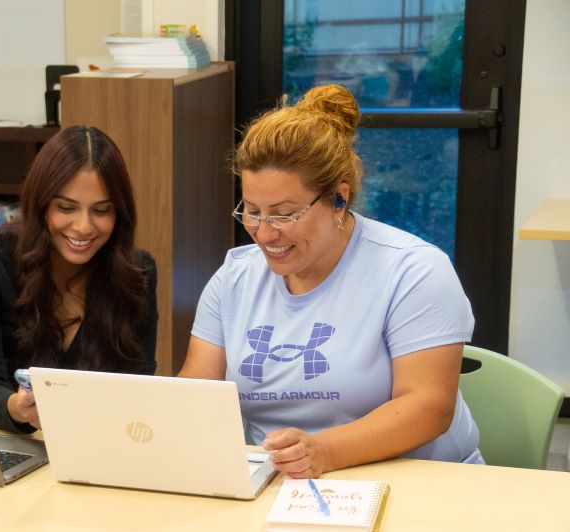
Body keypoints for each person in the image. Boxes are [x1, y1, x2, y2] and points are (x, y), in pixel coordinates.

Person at [178, 84, 483, 478]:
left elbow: (428, 407)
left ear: (339, 199)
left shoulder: (413, 271)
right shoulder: (235, 277)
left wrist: (324, 452)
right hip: (281, 483)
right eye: (252, 211)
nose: (264, 233)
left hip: (420, 479)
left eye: (284, 214)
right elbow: (196, 390)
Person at [0, 125, 158, 433]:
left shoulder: (137, 273)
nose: (84, 227)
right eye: (66, 208)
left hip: (99, 441)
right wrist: (17, 409)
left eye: (101, 210)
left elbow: (140, 385)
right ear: (40, 204)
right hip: (8, 440)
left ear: (120, 214)